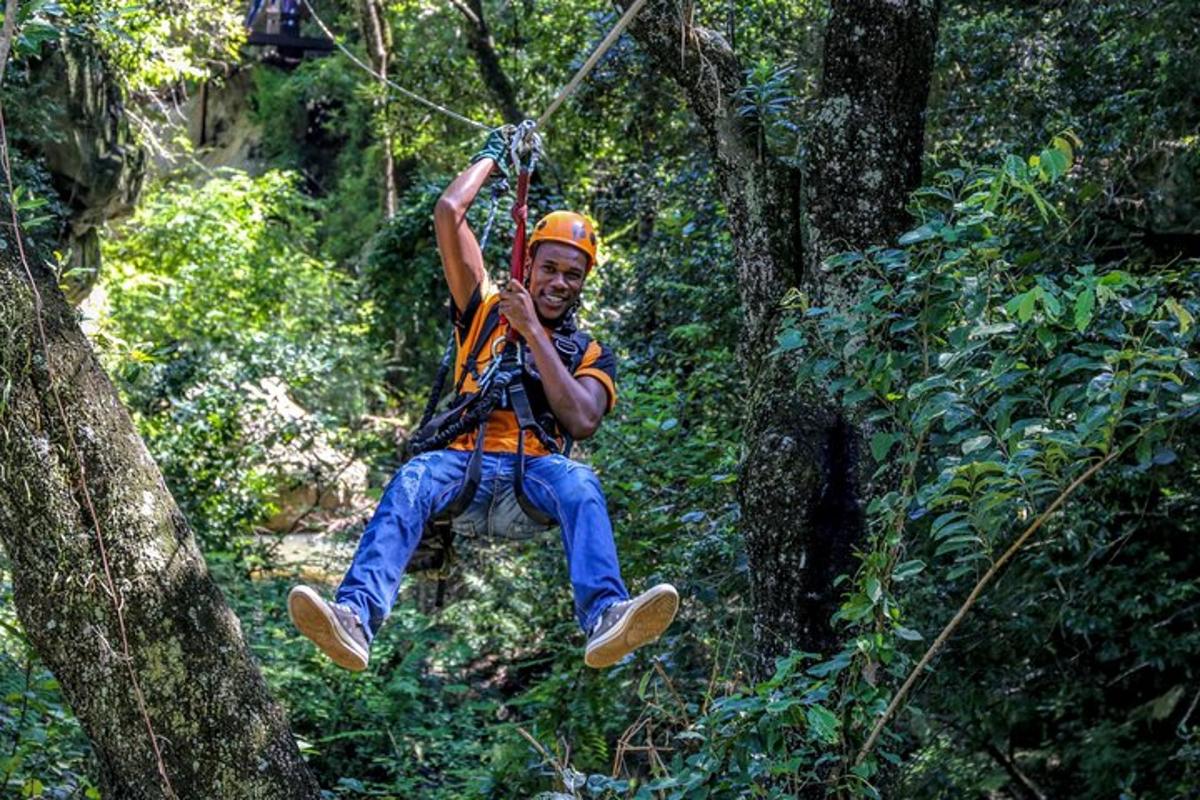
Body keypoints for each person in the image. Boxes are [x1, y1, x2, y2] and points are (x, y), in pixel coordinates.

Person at [288, 129, 679, 671]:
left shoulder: (589, 352)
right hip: (463, 471)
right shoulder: (484, 309)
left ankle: (605, 615)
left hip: (534, 479)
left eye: (573, 274)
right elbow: (449, 212)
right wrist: (492, 157)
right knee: (413, 478)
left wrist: (534, 335)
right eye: (549, 268)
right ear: (529, 266)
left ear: (583, 282)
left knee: (583, 483)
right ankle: (355, 617)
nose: (559, 282)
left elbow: (584, 419)